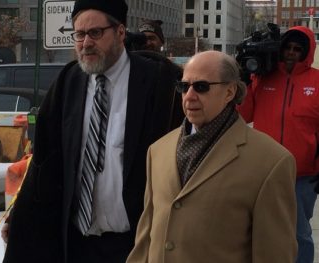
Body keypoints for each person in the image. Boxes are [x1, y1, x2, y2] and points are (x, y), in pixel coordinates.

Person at [2, 0, 183, 262]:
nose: (85, 43)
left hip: (137, 245)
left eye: (95, 33)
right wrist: (20, 216)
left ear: (120, 32)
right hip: (76, 245)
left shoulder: (157, 82)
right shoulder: (68, 83)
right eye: (79, 34)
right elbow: (45, 164)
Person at [126, 50, 298, 263]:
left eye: (201, 87)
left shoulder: (271, 162)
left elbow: (275, 254)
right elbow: (146, 237)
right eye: (183, 86)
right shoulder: (158, 150)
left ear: (229, 92)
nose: (189, 96)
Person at [237, 26, 319, 263]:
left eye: (298, 49)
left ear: (307, 52)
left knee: (299, 234)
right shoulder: (263, 78)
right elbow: (243, 115)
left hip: (303, 176)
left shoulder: (316, 81)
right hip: (264, 171)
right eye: (288, 48)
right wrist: (244, 84)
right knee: (260, 229)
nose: (292, 53)